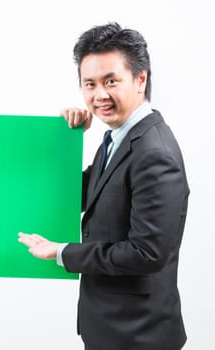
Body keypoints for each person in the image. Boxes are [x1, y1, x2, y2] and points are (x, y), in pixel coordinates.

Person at [18, 22, 189, 350]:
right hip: (110, 328)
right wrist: (65, 141)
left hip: (138, 335)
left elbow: (146, 253)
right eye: (90, 84)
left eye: (111, 81)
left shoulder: (154, 152)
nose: (99, 95)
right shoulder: (115, 138)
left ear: (141, 79)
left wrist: (62, 253)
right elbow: (83, 195)